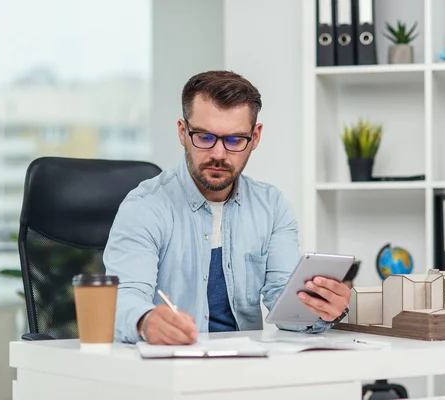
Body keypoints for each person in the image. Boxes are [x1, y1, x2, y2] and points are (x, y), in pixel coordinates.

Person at [103, 70, 351, 345]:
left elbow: (287, 306)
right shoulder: (145, 207)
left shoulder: (272, 207)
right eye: (205, 137)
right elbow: (122, 299)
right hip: (170, 370)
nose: (218, 154)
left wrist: (323, 310)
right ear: (183, 132)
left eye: (234, 140)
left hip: (244, 371)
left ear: (255, 138)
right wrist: (145, 321)